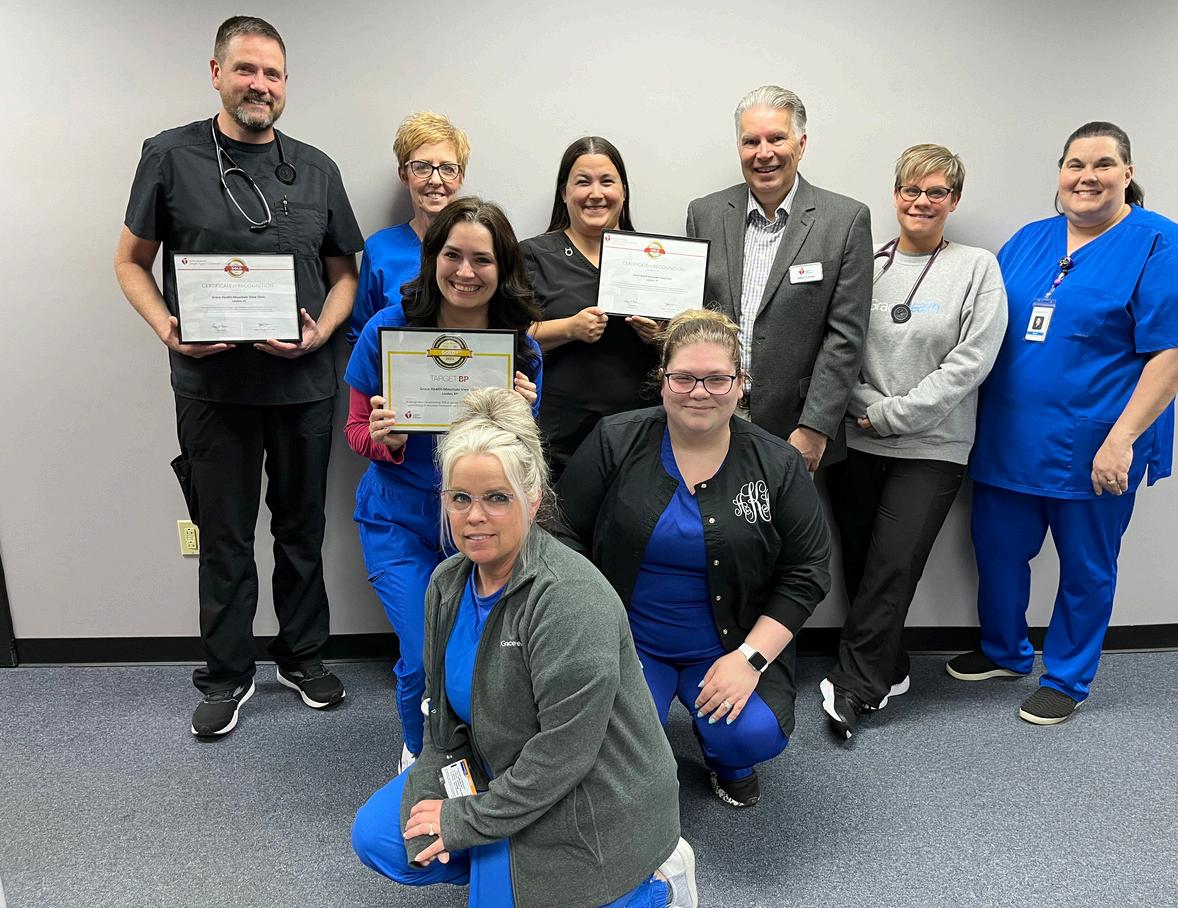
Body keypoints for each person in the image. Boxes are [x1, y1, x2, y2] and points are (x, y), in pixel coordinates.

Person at [351, 388, 698, 908]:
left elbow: (562, 758)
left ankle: (655, 884)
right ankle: (506, 865)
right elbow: (443, 724)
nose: (474, 516)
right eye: (460, 498)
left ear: (532, 499)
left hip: (591, 792)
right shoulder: (446, 583)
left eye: (497, 498)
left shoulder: (570, 598)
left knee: (498, 871)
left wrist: (465, 820)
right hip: (501, 766)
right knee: (381, 837)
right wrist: (433, 801)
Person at [114, 16, 363, 737]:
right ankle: (226, 673)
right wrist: (168, 328)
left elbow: (345, 274)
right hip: (212, 389)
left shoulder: (316, 168)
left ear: (285, 84)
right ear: (217, 73)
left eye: (273, 73)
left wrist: (323, 330)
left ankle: (302, 656)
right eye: (247, 69)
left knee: (301, 529)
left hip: (303, 386)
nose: (260, 85)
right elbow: (130, 261)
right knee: (223, 536)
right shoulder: (169, 156)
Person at [948, 122, 1178, 725]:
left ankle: (1067, 677)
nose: (1087, 177)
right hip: (1008, 439)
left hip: (1095, 445)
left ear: (1128, 173)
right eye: (1075, 164)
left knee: (1086, 568)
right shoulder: (1029, 240)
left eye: (1102, 164)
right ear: (1060, 173)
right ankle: (1005, 651)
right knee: (997, 552)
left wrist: (1122, 440)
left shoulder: (1160, 245)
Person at [557, 309, 831, 808]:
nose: (699, 392)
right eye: (683, 377)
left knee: (752, 733)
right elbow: (562, 533)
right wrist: (593, 634)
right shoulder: (615, 439)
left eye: (717, 379)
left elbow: (806, 572)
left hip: (731, 644)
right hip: (629, 640)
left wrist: (749, 660)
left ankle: (728, 761)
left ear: (741, 384)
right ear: (662, 381)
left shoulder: (778, 463)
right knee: (611, 738)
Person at [344, 198, 543, 771]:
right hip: (399, 519)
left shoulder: (520, 347)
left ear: (503, 268)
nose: (465, 272)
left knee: (483, 653)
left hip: (482, 524)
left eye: (482, 259)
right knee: (421, 654)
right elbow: (355, 431)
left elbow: (523, 460)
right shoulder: (387, 330)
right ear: (432, 258)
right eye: (452, 255)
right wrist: (386, 439)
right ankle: (420, 753)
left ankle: (479, 748)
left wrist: (524, 417)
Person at [819, 145, 1008, 740]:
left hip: (933, 446)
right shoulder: (867, 263)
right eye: (911, 190)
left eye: (936, 192)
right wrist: (866, 410)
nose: (922, 201)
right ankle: (890, 664)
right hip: (857, 441)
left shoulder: (977, 268)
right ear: (895, 194)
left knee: (894, 565)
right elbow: (836, 347)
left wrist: (893, 415)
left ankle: (856, 687)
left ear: (954, 200)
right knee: (860, 562)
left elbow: (971, 362)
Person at [686, 85, 872, 472]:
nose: (764, 153)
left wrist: (815, 427)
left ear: (800, 144)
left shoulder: (845, 221)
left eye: (776, 138)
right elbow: (694, 316)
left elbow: (846, 337)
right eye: (751, 141)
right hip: (714, 417)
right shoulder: (704, 214)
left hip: (795, 427)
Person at [522, 137, 661, 479]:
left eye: (607, 182)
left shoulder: (655, 258)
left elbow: (686, 347)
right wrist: (569, 328)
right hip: (557, 440)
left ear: (623, 191)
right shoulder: (533, 255)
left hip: (640, 438)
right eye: (583, 182)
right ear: (564, 192)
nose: (596, 193)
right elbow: (509, 338)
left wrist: (659, 336)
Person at [347, 111, 470, 345]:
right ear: (404, 175)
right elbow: (361, 336)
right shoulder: (380, 249)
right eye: (422, 167)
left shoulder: (483, 248)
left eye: (447, 168)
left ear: (460, 176)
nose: (436, 180)